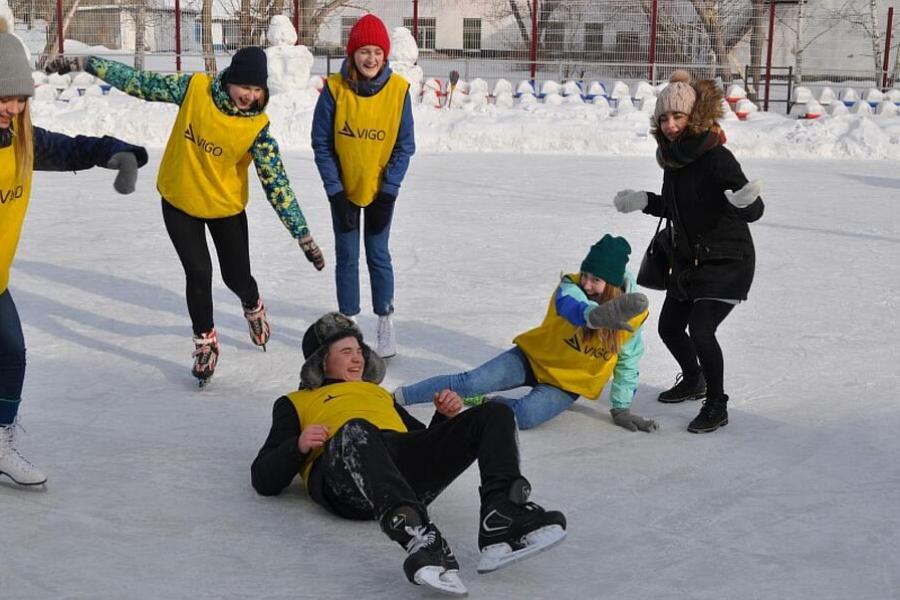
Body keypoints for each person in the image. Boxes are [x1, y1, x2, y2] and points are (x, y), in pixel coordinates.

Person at [45, 47, 326, 386]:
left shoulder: (258, 130)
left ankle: (252, 305)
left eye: (257, 91)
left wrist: (303, 234)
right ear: (231, 80)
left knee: (237, 277)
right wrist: (86, 62)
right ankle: (205, 342)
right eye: (245, 87)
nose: (249, 96)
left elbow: (277, 185)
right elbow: (138, 82)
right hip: (179, 201)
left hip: (225, 209)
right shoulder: (195, 90)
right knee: (198, 272)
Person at [251, 313, 566, 595]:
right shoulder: (295, 402)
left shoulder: (378, 395)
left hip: (401, 473)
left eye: (359, 351)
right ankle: (420, 538)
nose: (357, 359)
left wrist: (442, 418)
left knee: (495, 412)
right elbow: (263, 477)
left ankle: (503, 513)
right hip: (344, 481)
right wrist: (298, 446)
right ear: (321, 361)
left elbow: (421, 443)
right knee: (355, 428)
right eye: (346, 352)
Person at [0, 19, 148, 485]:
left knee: (13, 355)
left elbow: (70, 149)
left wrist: (117, 152)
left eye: (21, 98)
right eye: (4, 97)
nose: (13, 107)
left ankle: (0, 438)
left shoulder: (24, 141)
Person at [612, 70, 764, 434]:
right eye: (663, 117)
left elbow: (753, 210)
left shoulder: (717, 157)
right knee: (668, 327)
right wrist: (646, 201)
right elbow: (678, 207)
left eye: (677, 116)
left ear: (694, 117)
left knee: (701, 329)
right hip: (688, 261)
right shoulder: (673, 160)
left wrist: (745, 202)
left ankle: (716, 403)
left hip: (727, 259)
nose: (669, 124)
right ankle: (694, 379)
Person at [395, 235, 656, 432]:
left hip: (566, 384)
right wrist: (593, 316)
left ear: (611, 284)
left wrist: (621, 407)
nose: (586, 283)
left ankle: (486, 401)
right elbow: (571, 305)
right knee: (469, 382)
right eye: (585, 274)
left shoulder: (633, 313)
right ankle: (395, 398)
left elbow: (628, 361)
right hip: (532, 359)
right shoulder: (571, 286)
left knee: (525, 417)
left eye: (595, 280)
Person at [311, 14, 415, 359]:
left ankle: (385, 319)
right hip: (344, 189)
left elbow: (405, 145)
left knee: (377, 253)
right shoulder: (335, 89)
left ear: (385, 56)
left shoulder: (398, 91)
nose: (371, 59)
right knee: (347, 256)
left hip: (380, 190)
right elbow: (322, 143)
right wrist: (335, 191)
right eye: (364, 51)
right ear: (352, 53)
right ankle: (349, 322)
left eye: (377, 52)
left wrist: (389, 192)